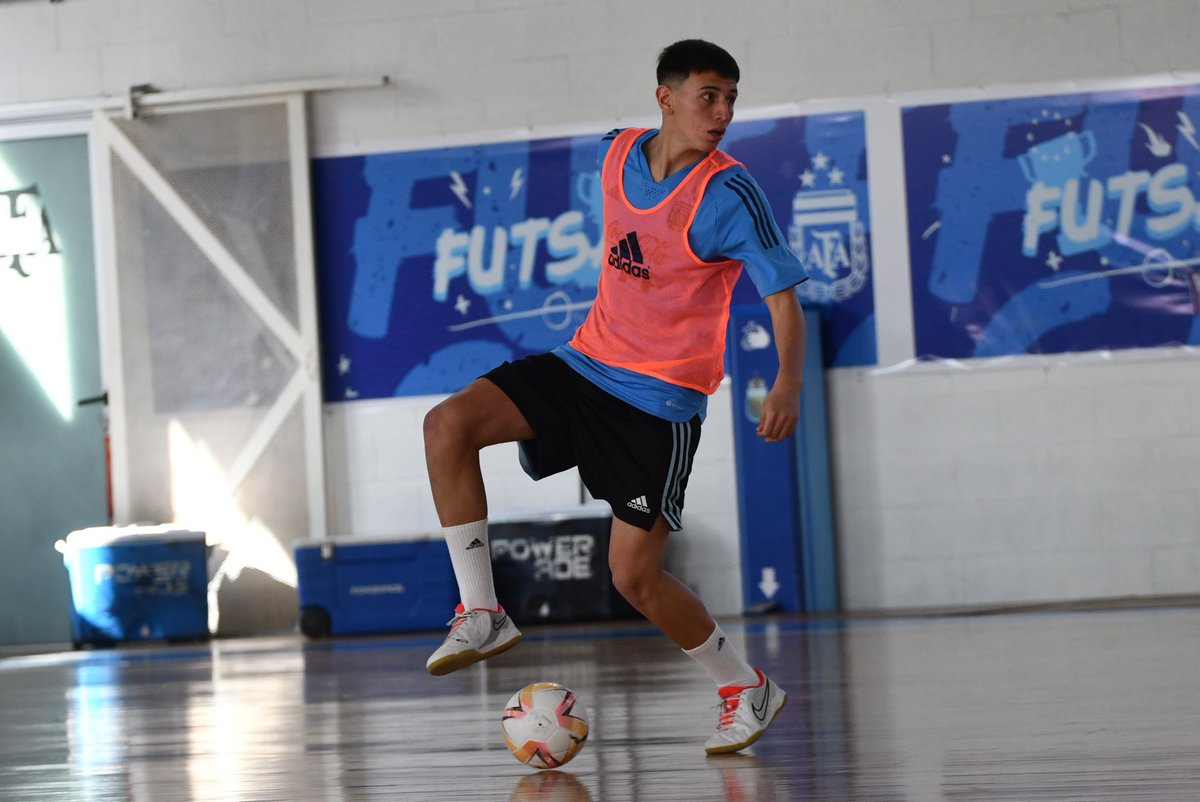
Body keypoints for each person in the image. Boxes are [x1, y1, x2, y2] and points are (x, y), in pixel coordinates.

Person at [422, 38, 808, 755]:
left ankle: (745, 687)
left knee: (634, 579)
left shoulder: (731, 193)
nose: (723, 112)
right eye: (708, 96)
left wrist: (786, 381)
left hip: (656, 404)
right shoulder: (617, 153)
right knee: (447, 424)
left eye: (730, 98)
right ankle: (481, 612)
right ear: (666, 98)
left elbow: (783, 298)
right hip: (585, 364)